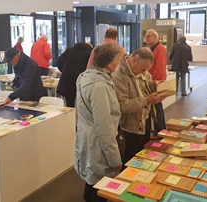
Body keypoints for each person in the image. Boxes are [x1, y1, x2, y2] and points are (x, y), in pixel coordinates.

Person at [74, 42, 123, 202]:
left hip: (88, 137)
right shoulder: (99, 86)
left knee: (91, 179)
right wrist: (115, 159)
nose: (119, 63)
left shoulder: (85, 76)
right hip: (97, 142)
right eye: (118, 59)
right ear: (109, 62)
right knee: (100, 185)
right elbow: (104, 126)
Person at [112, 47, 167, 164]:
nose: (144, 72)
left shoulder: (142, 70)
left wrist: (156, 86)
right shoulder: (118, 75)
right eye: (143, 69)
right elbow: (123, 105)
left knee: (142, 157)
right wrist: (147, 100)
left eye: (146, 70)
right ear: (134, 60)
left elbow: (146, 86)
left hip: (144, 121)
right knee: (130, 161)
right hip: (129, 127)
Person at [144, 29, 167, 138]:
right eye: (146, 36)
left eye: (149, 36)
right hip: (153, 81)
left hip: (157, 82)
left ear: (155, 37)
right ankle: (160, 129)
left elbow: (160, 68)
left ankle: (160, 130)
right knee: (157, 106)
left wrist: (156, 82)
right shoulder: (153, 48)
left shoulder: (160, 49)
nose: (146, 38)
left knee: (157, 106)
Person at [56, 42, 93, 107]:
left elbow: (59, 61)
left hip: (67, 82)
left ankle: (70, 117)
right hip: (81, 82)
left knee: (69, 104)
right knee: (82, 105)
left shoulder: (69, 50)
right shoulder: (90, 53)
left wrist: (65, 71)